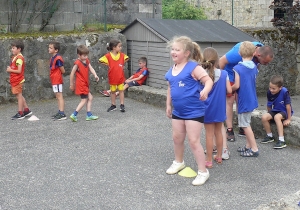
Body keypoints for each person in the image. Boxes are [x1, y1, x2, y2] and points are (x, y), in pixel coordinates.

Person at [165, 36, 213, 186]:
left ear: (186, 53)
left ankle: (203, 171)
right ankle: (178, 162)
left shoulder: (193, 67)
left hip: (194, 111)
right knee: (177, 138)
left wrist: (205, 91)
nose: (173, 52)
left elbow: (208, 81)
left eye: (177, 50)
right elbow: (170, 88)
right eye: (172, 49)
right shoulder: (171, 70)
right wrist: (168, 105)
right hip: (178, 111)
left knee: (193, 141)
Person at [219, 41, 274, 141]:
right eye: (265, 62)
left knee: (240, 99)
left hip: (242, 75)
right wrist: (220, 81)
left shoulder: (260, 49)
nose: (266, 64)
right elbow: (221, 62)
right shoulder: (237, 53)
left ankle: (242, 128)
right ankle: (230, 130)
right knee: (230, 100)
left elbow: (256, 65)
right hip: (231, 74)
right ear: (257, 54)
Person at [202, 47, 232, 168]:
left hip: (207, 108)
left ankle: (208, 160)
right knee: (219, 132)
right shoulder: (224, 74)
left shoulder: (202, 75)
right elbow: (229, 90)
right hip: (220, 108)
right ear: (217, 60)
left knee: (209, 134)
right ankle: (219, 156)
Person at [231, 41, 259, 157]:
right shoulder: (254, 67)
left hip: (244, 100)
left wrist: (228, 89)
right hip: (252, 98)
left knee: (245, 125)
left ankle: (254, 149)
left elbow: (237, 85)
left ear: (239, 53)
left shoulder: (238, 68)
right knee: (247, 123)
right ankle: (248, 145)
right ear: (253, 53)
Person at [261, 75, 293, 149]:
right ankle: (269, 136)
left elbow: (288, 106)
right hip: (275, 110)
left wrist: (288, 119)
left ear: (280, 87)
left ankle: (282, 140)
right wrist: (269, 114)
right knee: (264, 117)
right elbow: (269, 104)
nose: (271, 90)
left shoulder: (285, 92)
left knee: (277, 117)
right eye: (270, 88)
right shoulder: (269, 92)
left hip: (284, 111)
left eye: (273, 89)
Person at [69, 45, 99, 122]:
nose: (86, 57)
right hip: (81, 84)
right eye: (84, 55)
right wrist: (71, 84)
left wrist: (95, 75)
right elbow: (72, 74)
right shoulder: (77, 63)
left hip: (85, 84)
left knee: (90, 98)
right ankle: (74, 114)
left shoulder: (86, 61)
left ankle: (89, 115)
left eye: (87, 55)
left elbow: (91, 68)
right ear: (79, 55)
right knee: (84, 100)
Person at [99, 39, 129, 112]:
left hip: (120, 77)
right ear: (114, 47)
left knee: (121, 91)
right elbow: (100, 61)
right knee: (112, 92)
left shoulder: (122, 55)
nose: (121, 48)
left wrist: (120, 64)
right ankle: (113, 105)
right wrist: (108, 64)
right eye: (119, 46)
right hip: (112, 77)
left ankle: (122, 105)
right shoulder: (108, 56)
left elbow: (126, 59)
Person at [7, 40, 32, 120]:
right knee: (19, 95)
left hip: (18, 80)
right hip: (15, 80)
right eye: (12, 48)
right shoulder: (16, 57)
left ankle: (20, 113)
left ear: (19, 49)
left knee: (19, 96)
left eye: (13, 48)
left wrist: (10, 70)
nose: (12, 49)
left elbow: (19, 70)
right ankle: (26, 110)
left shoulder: (19, 58)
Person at [48, 41, 66, 120]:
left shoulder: (58, 58)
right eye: (49, 47)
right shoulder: (52, 57)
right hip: (54, 79)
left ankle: (62, 113)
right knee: (57, 96)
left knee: (59, 96)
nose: (49, 49)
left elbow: (63, 70)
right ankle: (59, 111)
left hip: (57, 79)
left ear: (56, 50)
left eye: (51, 48)